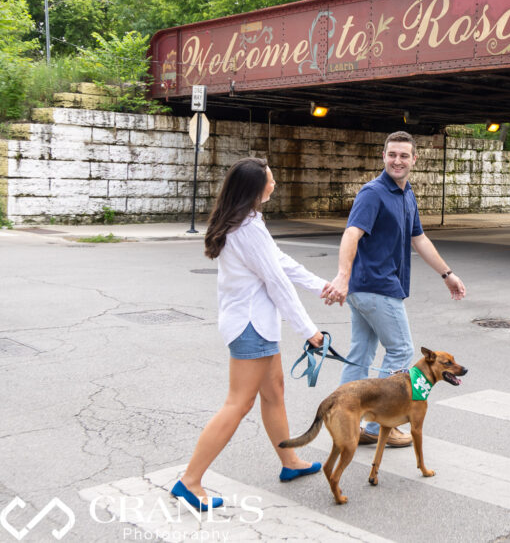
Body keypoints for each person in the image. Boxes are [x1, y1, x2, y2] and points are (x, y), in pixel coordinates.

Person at [172, 157, 327, 512]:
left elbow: (279, 263)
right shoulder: (247, 227)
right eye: (270, 180)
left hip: (254, 325)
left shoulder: (247, 221)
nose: (274, 185)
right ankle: (189, 481)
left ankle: (289, 463)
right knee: (238, 404)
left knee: (274, 393)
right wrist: (309, 330)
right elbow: (276, 282)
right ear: (255, 189)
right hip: (250, 327)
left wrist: (321, 286)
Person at [322, 131, 466, 447]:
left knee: (361, 353)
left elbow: (420, 239)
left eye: (403, 155)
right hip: (375, 286)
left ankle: (346, 421)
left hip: (368, 289)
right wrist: (342, 276)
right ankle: (376, 427)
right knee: (401, 350)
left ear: (414, 159)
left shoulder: (406, 193)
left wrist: (447, 274)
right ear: (383, 156)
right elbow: (351, 234)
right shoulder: (373, 193)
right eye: (392, 155)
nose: (397, 160)